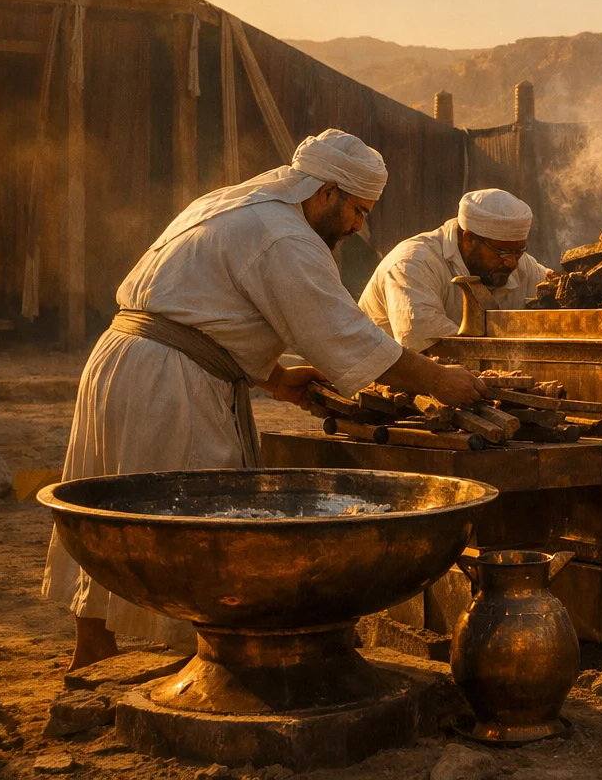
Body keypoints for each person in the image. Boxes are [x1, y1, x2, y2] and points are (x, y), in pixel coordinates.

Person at [44, 129, 487, 669]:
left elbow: (204, 306)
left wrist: (272, 378)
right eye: (358, 211)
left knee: (110, 511)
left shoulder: (233, 203)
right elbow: (344, 335)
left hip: (124, 360)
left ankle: (92, 651)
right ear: (326, 192)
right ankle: (211, 666)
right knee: (199, 523)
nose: (358, 226)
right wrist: (442, 381)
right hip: (168, 381)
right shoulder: (285, 237)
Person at [359, 189, 553, 351]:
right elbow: (429, 349)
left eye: (518, 252)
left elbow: (554, 295)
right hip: (386, 385)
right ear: (469, 239)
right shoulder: (413, 263)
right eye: (501, 253)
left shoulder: (520, 263)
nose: (512, 264)